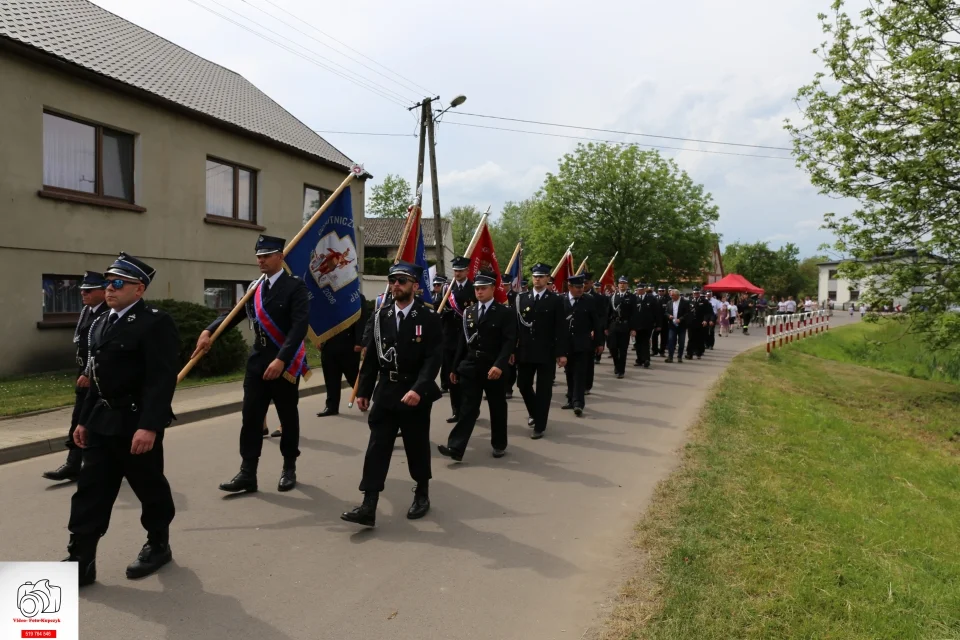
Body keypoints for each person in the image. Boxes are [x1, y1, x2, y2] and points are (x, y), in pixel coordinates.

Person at [63, 253, 179, 586]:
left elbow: (161, 379)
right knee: (90, 491)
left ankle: (158, 544)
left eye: (117, 284)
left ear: (138, 289)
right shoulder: (101, 322)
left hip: (134, 422)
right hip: (101, 421)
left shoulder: (155, 322)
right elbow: (94, 379)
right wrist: (82, 421)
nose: (109, 290)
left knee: (149, 486)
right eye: (107, 284)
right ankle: (81, 559)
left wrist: (150, 425)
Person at [194, 235, 309, 494]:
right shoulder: (256, 287)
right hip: (258, 361)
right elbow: (234, 313)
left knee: (288, 417)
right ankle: (248, 473)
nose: (261, 260)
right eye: (258, 256)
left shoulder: (295, 287)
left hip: (284, 363)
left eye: (266, 255)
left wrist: (281, 359)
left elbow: (299, 326)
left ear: (280, 256)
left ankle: (289, 467)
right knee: (251, 418)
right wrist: (209, 331)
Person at [341, 262, 442, 527]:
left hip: (414, 393)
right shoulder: (380, 317)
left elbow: (433, 359)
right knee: (378, 446)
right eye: (392, 280)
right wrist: (363, 390)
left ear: (415, 286)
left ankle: (422, 492)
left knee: (416, 445)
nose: (396, 285)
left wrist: (418, 389)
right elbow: (372, 359)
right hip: (386, 392)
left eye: (402, 280)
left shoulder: (428, 317)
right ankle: (369, 504)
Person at [439, 271, 516, 461]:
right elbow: (463, 343)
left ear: (492, 289)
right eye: (477, 289)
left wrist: (500, 364)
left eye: (483, 288)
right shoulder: (469, 312)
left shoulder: (504, 313)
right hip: (471, 366)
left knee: (497, 407)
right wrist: (455, 367)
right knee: (467, 408)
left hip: (493, 368)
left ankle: (499, 444)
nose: (479, 292)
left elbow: (509, 342)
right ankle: (456, 447)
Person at [43, 271, 109, 482]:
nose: (83, 294)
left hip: (99, 375)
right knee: (80, 418)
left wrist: (90, 372)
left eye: (89, 290)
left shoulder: (108, 314)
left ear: (103, 291)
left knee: (96, 419)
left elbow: (102, 347)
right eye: (82, 290)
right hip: (84, 372)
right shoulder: (87, 311)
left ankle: (91, 464)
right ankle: (74, 464)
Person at [514, 263, 568, 439]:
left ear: (547, 279)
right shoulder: (521, 298)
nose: (537, 279)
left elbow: (561, 328)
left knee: (544, 389)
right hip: (525, 351)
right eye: (535, 276)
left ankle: (540, 424)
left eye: (541, 276)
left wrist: (561, 353)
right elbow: (516, 327)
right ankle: (534, 412)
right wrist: (512, 351)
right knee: (523, 385)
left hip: (546, 351)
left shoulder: (556, 300)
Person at [316, 294, 368, 417]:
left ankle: (364, 399)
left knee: (352, 376)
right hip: (328, 342)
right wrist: (317, 338)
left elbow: (362, 319)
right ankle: (331, 406)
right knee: (330, 377)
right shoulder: (325, 297)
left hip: (348, 343)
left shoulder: (355, 295)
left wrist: (359, 341)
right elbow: (319, 317)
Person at [440, 256, 476, 424]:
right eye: (455, 270)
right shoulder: (447, 289)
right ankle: (456, 410)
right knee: (451, 376)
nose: (458, 273)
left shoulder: (474, 287)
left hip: (468, 338)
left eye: (461, 270)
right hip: (449, 338)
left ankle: (470, 409)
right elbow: (438, 307)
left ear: (467, 271)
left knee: (467, 377)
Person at [561, 274, 603, 416]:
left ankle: (578, 403)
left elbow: (596, 323)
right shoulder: (562, 300)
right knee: (569, 372)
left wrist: (599, 342)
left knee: (579, 373)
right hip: (566, 344)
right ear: (569, 287)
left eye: (582, 287)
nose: (580, 290)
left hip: (583, 344)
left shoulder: (589, 300)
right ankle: (571, 399)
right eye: (577, 287)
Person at [609, 275, 638, 378]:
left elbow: (634, 314)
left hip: (625, 325)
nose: (622, 285)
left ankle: (621, 370)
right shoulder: (613, 297)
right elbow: (608, 313)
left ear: (627, 285)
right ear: (618, 285)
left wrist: (633, 328)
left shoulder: (631, 297)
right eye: (621, 283)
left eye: (624, 283)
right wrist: (606, 327)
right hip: (614, 325)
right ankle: (616, 364)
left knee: (623, 349)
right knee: (612, 347)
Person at [582, 272, 606, 390]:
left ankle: (586, 385)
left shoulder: (598, 298)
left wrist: (595, 332)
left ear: (591, 283)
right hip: (575, 334)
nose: (584, 285)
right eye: (582, 283)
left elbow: (601, 317)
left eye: (586, 283)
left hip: (591, 334)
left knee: (588, 362)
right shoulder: (573, 296)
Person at [633, 283, 661, 369]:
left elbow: (657, 312)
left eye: (642, 289)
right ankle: (639, 359)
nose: (640, 291)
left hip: (648, 325)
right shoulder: (634, 298)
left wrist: (658, 324)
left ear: (645, 289)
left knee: (645, 342)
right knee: (638, 343)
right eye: (639, 289)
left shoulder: (651, 298)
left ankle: (646, 359)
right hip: (637, 325)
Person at [664, 287, 691, 363]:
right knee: (671, 340)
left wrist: (680, 319)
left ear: (677, 295)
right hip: (672, 325)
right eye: (670, 295)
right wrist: (669, 316)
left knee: (681, 341)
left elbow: (687, 313)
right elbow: (666, 312)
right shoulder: (669, 302)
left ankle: (679, 357)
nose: (671, 297)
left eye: (672, 295)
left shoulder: (685, 302)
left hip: (681, 325)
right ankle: (670, 357)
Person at [686, 287, 714, 360]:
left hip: (701, 322)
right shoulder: (689, 301)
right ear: (692, 293)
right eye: (694, 293)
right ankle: (689, 353)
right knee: (691, 338)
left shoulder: (704, 301)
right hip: (691, 323)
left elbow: (708, 313)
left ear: (699, 293)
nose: (696, 294)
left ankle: (699, 353)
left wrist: (705, 320)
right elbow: (687, 312)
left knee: (700, 338)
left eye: (697, 293)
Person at [655, 285, 670, 356]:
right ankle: (654, 350)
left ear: (665, 291)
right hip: (656, 321)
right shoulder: (655, 298)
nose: (660, 292)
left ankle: (662, 351)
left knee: (664, 337)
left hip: (665, 321)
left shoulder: (668, 299)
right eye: (659, 291)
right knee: (654, 336)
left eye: (662, 291)